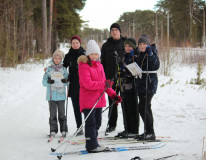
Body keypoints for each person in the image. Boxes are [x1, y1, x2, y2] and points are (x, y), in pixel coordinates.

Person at [77, 40, 122, 152]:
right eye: (92, 54)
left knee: (97, 123)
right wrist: (104, 84)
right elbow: (88, 84)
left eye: (96, 54)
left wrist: (113, 94)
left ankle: (93, 141)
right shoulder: (84, 66)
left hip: (98, 100)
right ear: (88, 55)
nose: (94, 56)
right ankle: (91, 145)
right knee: (91, 123)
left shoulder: (100, 66)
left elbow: (104, 84)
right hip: (88, 100)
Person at [101, 23, 126, 132]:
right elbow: (102, 63)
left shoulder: (125, 43)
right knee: (112, 102)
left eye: (116, 29)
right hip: (110, 78)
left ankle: (128, 126)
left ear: (120, 31)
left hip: (124, 78)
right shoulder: (106, 45)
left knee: (125, 102)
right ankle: (111, 125)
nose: (114, 31)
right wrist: (104, 77)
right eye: (112, 30)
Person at [134, 35, 160, 140]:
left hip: (149, 83)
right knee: (146, 107)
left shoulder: (152, 52)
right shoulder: (139, 53)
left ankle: (150, 132)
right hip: (141, 83)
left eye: (144, 44)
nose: (142, 46)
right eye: (140, 44)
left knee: (143, 107)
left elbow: (156, 65)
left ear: (148, 44)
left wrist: (151, 55)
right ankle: (148, 131)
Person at [42, 50, 69, 137]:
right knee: (52, 114)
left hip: (61, 95)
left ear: (61, 59)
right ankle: (53, 130)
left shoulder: (64, 69)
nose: (57, 60)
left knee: (62, 114)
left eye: (59, 58)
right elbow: (44, 82)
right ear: (53, 58)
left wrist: (65, 81)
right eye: (55, 58)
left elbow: (68, 82)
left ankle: (64, 129)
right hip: (51, 96)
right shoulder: (49, 69)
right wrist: (48, 81)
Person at [116, 38, 139, 138]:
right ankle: (127, 128)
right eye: (126, 46)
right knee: (125, 108)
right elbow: (121, 71)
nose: (127, 48)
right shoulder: (124, 56)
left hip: (132, 87)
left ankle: (133, 130)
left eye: (129, 46)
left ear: (133, 47)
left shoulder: (135, 56)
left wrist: (123, 68)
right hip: (123, 87)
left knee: (132, 109)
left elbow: (134, 71)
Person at [63, 35, 85, 136]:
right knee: (76, 107)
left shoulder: (85, 54)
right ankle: (79, 127)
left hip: (85, 84)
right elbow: (63, 68)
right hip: (74, 84)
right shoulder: (68, 56)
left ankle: (88, 126)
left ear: (80, 43)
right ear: (71, 44)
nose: (75, 45)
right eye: (73, 43)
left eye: (77, 43)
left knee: (85, 107)